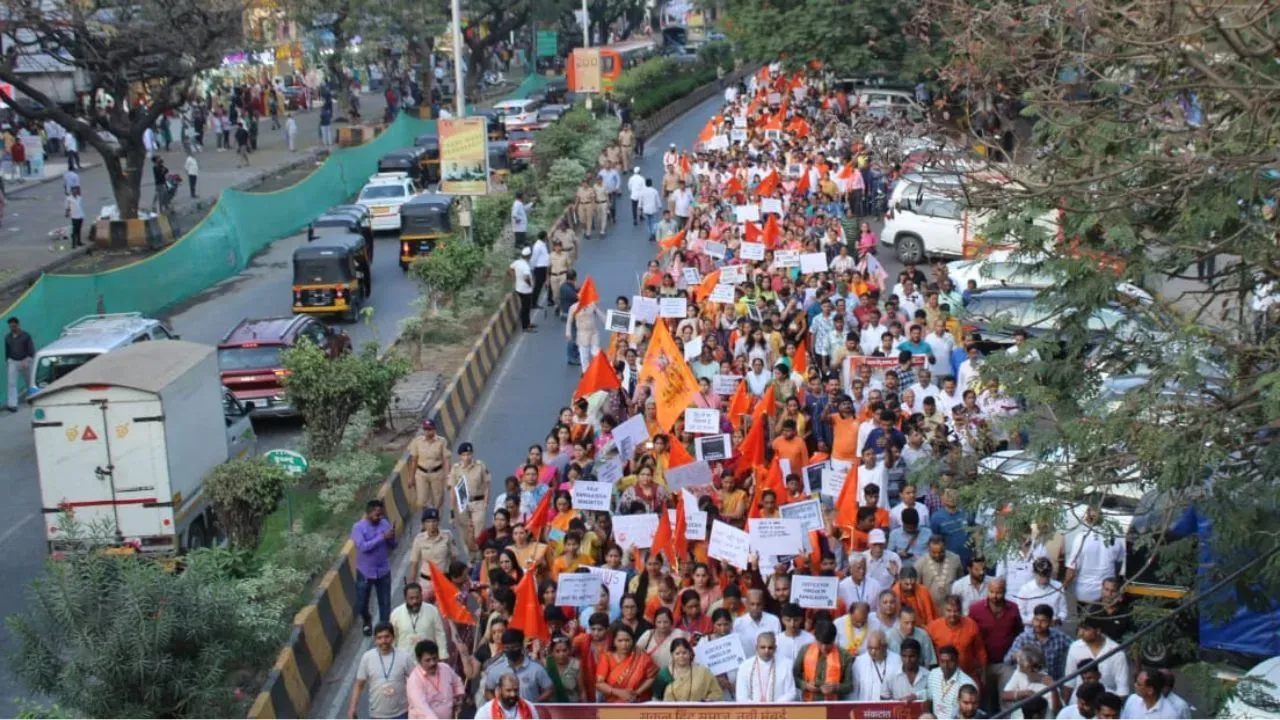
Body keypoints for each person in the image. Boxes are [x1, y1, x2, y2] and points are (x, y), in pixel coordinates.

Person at [348, 623, 413, 719]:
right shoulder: (367, 658)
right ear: (375, 640)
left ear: (393, 637)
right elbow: (359, 685)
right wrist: (352, 708)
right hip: (377, 715)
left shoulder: (404, 656)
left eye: (387, 637)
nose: (383, 641)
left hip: (402, 713)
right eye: (380, 638)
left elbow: (416, 681)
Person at [352, 499, 397, 635]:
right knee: (361, 604)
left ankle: (383, 631)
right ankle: (367, 619)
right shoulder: (358, 528)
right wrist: (382, 537)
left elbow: (393, 545)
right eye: (377, 515)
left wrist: (391, 537)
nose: (380, 518)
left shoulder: (384, 524)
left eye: (381, 514)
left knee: (385, 604)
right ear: (368, 513)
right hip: (365, 572)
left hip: (383, 571)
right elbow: (363, 547)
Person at [1064, 616, 1130, 697]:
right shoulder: (1075, 647)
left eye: (1086, 629)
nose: (1080, 633)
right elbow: (1069, 681)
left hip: (1105, 701)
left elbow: (1122, 688)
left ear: (1098, 630)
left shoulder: (1117, 652)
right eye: (1080, 629)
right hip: (1079, 700)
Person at [483, 629, 553, 703]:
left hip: (529, 713)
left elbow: (549, 689)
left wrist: (534, 704)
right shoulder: (496, 669)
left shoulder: (536, 668)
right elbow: (488, 691)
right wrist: (498, 705)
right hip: (505, 713)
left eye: (514, 647)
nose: (511, 650)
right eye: (507, 648)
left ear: (521, 646)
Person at [594, 625, 658, 703]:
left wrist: (637, 692)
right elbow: (599, 683)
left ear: (632, 640)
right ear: (614, 642)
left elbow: (652, 676)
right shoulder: (606, 657)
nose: (624, 645)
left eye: (627, 640)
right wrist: (618, 692)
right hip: (613, 704)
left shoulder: (641, 657)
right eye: (620, 641)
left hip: (638, 702)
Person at [793, 621, 854, 701]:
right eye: (820, 643)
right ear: (815, 639)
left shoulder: (844, 656)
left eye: (828, 644)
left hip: (833, 706)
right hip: (808, 703)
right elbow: (793, 677)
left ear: (834, 640)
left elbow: (849, 686)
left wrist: (834, 688)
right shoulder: (805, 650)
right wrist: (805, 685)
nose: (824, 647)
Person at [407, 639, 464, 719]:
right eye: (428, 660)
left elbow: (457, 682)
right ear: (418, 660)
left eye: (435, 658)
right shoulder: (414, 680)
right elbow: (422, 708)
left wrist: (459, 697)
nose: (432, 663)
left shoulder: (445, 668)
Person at [735, 631, 796, 702]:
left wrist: (773, 706)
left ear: (775, 648)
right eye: (763, 647)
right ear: (756, 648)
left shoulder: (786, 664)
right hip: (752, 711)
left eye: (770, 648)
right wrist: (759, 707)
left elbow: (790, 693)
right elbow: (741, 696)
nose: (766, 651)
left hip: (778, 710)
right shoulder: (745, 666)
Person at [390, 582, 448, 657]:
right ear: (405, 598)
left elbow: (440, 634)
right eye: (411, 598)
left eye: (417, 597)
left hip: (428, 658)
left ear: (421, 596)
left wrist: (443, 655)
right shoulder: (396, 614)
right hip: (404, 659)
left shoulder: (432, 610)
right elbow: (393, 638)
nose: (415, 601)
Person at [655, 637, 720, 702]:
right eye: (677, 653)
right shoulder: (664, 673)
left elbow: (716, 692)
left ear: (690, 653)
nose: (681, 656)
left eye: (684, 653)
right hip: (671, 711)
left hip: (697, 711)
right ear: (672, 655)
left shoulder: (702, 672)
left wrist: (706, 701)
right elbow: (656, 699)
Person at [408, 420, 451, 511]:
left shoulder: (442, 441)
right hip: (421, 474)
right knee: (421, 502)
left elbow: (446, 460)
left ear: (434, 429)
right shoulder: (417, 442)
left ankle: (436, 522)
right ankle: (427, 520)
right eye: (425, 429)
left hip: (437, 474)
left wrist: (448, 478)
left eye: (429, 429)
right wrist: (411, 477)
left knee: (438, 502)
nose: (427, 432)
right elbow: (414, 460)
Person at [927, 645, 976, 719]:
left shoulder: (967, 683)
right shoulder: (933, 674)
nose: (946, 665)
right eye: (942, 661)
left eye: (950, 661)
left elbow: (969, 713)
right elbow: (929, 697)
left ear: (957, 661)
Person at [851, 629, 901, 701]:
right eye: (870, 648)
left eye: (876, 648)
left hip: (889, 708)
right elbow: (854, 691)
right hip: (866, 709)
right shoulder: (859, 662)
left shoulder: (897, 660)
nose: (872, 652)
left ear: (885, 647)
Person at [733, 588, 781, 656]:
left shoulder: (773, 621)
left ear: (763, 604)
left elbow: (778, 645)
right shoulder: (739, 623)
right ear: (746, 604)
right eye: (752, 604)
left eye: (758, 604)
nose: (755, 608)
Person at [474, 673, 540, 719]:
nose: (513, 694)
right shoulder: (485, 711)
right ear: (499, 690)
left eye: (516, 690)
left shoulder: (529, 707)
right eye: (508, 690)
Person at [885, 637, 929, 702]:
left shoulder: (928, 676)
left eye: (912, 656)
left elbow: (933, 696)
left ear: (918, 656)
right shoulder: (891, 675)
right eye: (904, 656)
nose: (907, 660)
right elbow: (884, 699)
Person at [510, 247, 536, 332]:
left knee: (525, 307)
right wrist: (530, 285)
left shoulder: (517, 262)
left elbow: (510, 269)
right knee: (526, 308)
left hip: (518, 288)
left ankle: (528, 323)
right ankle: (525, 326)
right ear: (528, 256)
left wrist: (514, 278)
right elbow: (526, 277)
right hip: (526, 290)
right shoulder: (526, 266)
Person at [530, 231, 550, 309]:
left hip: (544, 268)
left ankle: (535, 302)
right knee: (537, 287)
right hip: (539, 268)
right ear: (544, 237)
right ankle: (533, 303)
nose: (547, 237)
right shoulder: (538, 246)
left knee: (540, 286)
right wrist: (532, 268)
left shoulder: (543, 244)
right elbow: (534, 258)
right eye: (546, 236)